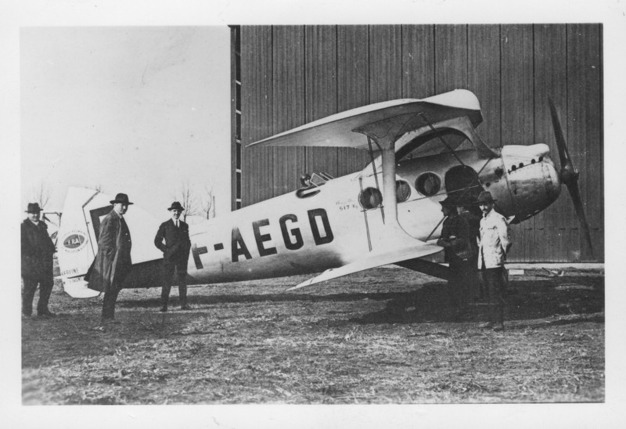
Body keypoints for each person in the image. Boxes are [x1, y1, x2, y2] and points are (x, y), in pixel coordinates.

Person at [87, 193, 133, 324]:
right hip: (113, 262)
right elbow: (104, 243)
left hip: (119, 261)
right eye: (121, 205)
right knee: (111, 289)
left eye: (126, 205)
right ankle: (107, 317)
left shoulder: (119, 218)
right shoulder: (110, 219)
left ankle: (109, 317)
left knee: (114, 289)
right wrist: (112, 259)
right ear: (115, 204)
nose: (124, 207)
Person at [476, 191, 511, 331]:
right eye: (481, 205)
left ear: (492, 204)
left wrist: (500, 256)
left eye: (486, 204)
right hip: (484, 261)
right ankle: (491, 320)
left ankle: (499, 322)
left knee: (496, 292)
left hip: (494, 261)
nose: (483, 207)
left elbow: (505, 240)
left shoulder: (498, 218)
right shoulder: (482, 220)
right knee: (487, 292)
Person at [436, 197, 473, 319]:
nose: (442, 210)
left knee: (462, 284)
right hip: (452, 258)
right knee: (453, 285)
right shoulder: (446, 222)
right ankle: (455, 310)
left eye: (444, 207)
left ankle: (464, 311)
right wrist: (442, 241)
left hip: (461, 257)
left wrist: (448, 244)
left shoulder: (461, 221)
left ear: (450, 208)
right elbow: (442, 237)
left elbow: (464, 239)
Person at [154, 201, 191, 311]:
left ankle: (183, 304)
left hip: (182, 258)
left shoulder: (185, 225)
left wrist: (186, 253)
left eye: (178, 211)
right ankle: (163, 305)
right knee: (167, 281)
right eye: (174, 211)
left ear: (180, 212)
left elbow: (187, 241)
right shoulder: (165, 225)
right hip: (169, 258)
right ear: (171, 212)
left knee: (182, 281)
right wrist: (166, 251)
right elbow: (157, 241)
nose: (176, 213)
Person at [21, 203, 57, 318]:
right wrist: (32, 255)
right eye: (32, 213)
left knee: (47, 285)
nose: (35, 215)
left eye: (37, 213)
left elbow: (47, 241)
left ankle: (42, 310)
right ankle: (26, 313)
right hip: (30, 264)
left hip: (45, 263)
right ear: (28, 214)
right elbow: (22, 246)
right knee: (29, 288)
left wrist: (52, 249)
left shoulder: (42, 226)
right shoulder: (23, 227)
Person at [457, 200, 482, 301]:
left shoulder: (460, 219)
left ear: (461, 207)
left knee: (463, 273)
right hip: (474, 248)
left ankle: (466, 295)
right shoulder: (476, 219)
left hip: (463, 249)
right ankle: (476, 294)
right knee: (473, 272)